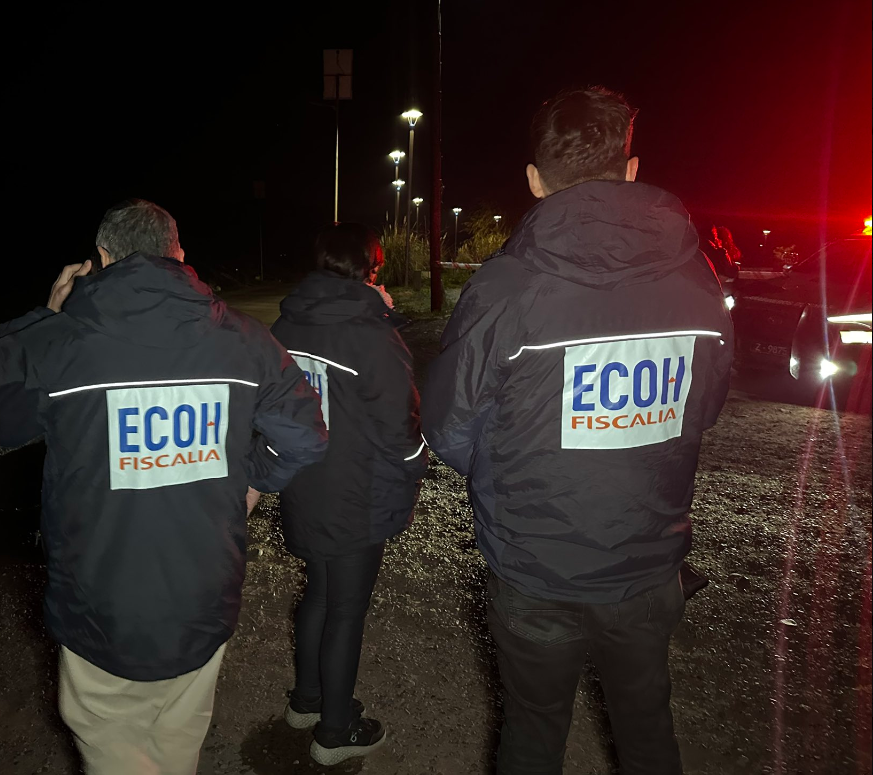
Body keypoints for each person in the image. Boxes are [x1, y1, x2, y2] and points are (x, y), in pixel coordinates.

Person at [0, 199, 328, 775]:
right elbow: (305, 435)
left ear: (101, 258)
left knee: (114, 745)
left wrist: (46, 313)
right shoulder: (245, 340)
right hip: (203, 597)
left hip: (101, 607)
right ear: (180, 254)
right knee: (178, 741)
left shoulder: (60, 342)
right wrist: (252, 481)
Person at [421, 88, 733, 775]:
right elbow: (703, 406)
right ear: (631, 169)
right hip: (648, 562)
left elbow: (448, 427)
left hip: (536, 567)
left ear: (535, 181)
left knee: (532, 735)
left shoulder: (506, 288)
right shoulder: (697, 281)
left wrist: (518, 468)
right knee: (648, 729)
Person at [268, 223, 428, 766]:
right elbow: (401, 423)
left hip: (306, 483)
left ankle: (307, 700)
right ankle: (335, 732)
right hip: (356, 491)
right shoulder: (369, 334)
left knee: (320, 590)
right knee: (346, 609)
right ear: (371, 268)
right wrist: (416, 469)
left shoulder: (287, 323)